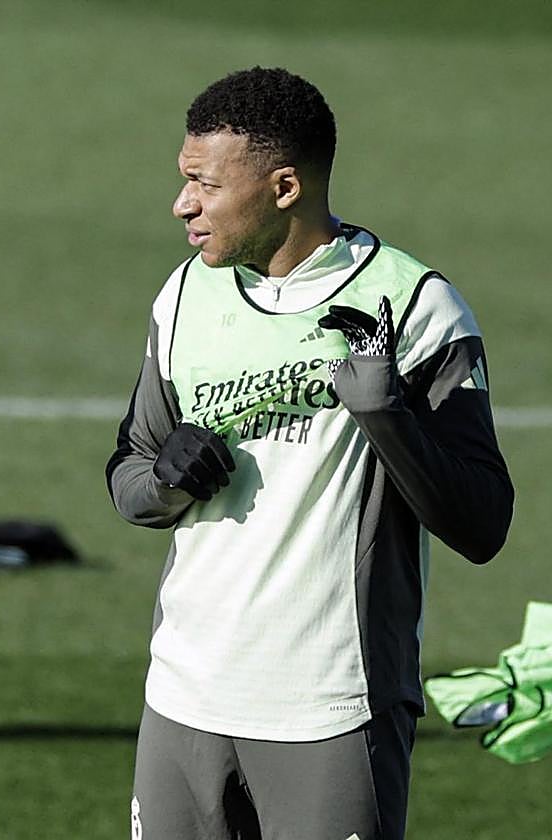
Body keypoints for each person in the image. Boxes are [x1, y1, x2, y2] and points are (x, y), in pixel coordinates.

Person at [106, 67, 513, 840]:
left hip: (331, 707)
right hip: (183, 699)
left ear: (284, 187)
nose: (182, 204)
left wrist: (386, 414)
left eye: (205, 184)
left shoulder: (415, 305)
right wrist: (166, 479)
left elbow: (483, 522)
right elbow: (131, 474)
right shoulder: (185, 294)